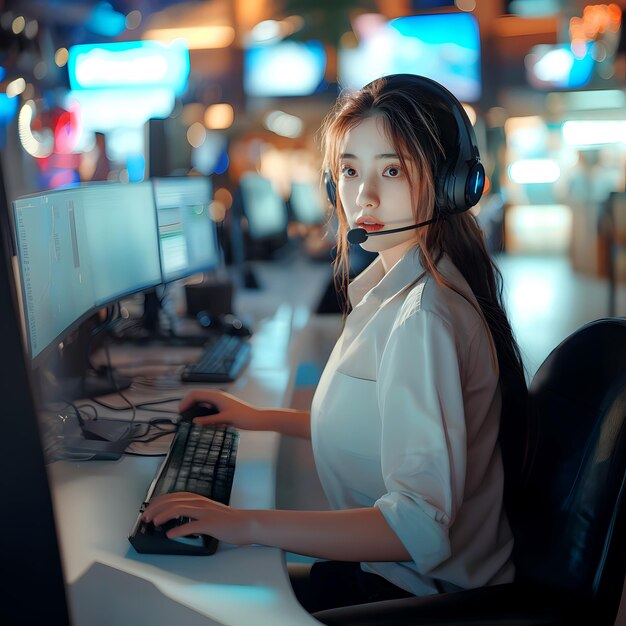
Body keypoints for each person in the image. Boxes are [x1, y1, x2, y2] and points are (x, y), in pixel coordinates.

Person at [143, 74, 528, 613]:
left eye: (391, 170)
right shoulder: (409, 286)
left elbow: (418, 528)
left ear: (449, 184)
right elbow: (386, 426)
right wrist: (260, 418)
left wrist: (243, 524)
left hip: (423, 600)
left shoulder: (424, 318)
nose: (362, 196)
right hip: (398, 581)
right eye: (349, 170)